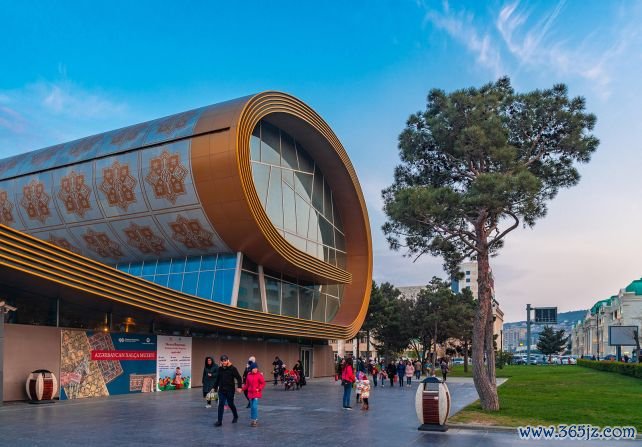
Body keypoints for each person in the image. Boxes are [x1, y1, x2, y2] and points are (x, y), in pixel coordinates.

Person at [213, 354, 243, 427]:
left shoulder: (232, 368)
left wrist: (239, 387)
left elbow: (239, 378)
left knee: (230, 404)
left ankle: (235, 416)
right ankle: (219, 421)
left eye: (225, 361)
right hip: (222, 390)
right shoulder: (220, 369)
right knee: (221, 404)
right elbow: (217, 379)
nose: (224, 362)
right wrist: (215, 387)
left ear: (227, 360)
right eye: (222, 361)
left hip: (230, 390)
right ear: (221, 361)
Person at [242, 362, 266, 427]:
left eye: (256, 368)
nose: (255, 369)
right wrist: (242, 389)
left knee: (254, 406)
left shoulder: (259, 375)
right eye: (254, 368)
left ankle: (254, 420)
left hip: (256, 393)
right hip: (250, 394)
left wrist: (259, 388)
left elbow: (263, 383)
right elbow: (247, 385)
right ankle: (253, 419)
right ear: (251, 369)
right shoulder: (248, 375)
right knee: (252, 407)